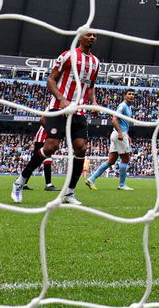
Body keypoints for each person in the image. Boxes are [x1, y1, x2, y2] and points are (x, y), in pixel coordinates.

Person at [12, 31, 100, 206]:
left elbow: (90, 87)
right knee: (51, 146)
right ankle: (19, 182)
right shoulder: (67, 56)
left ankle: (69, 193)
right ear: (80, 37)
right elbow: (51, 80)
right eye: (88, 35)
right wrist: (61, 98)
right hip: (59, 108)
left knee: (81, 148)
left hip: (80, 111)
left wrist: (94, 103)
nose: (92, 38)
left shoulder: (96, 63)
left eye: (95, 36)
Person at [86, 89, 135, 191]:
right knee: (125, 159)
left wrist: (126, 134)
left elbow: (123, 123)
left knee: (111, 161)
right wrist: (121, 133)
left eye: (133, 94)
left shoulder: (129, 107)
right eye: (129, 94)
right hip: (119, 134)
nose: (131, 96)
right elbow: (114, 120)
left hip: (117, 134)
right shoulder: (123, 106)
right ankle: (122, 185)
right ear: (125, 96)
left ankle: (91, 179)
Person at [19, 124, 57, 192]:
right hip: (42, 140)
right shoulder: (52, 117)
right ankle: (48, 185)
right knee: (46, 161)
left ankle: (22, 183)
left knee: (34, 163)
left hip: (43, 139)